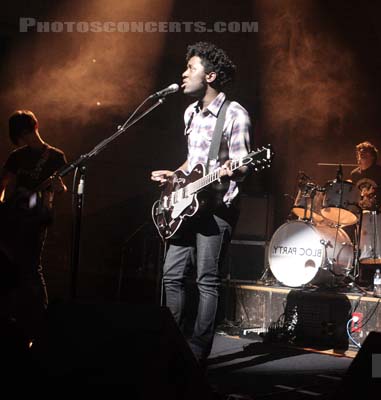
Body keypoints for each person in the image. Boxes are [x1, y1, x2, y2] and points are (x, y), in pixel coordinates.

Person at [150, 42, 251, 363]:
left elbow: (245, 164)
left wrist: (230, 170)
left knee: (206, 280)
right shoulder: (189, 113)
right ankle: (173, 341)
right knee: (171, 275)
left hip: (217, 209)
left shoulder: (235, 114)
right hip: (185, 207)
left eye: (190, 68)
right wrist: (173, 176)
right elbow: (192, 163)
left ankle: (197, 350)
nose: (183, 73)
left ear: (210, 75)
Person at [0, 109, 67, 341]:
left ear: (35, 127)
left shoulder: (56, 156)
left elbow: (59, 190)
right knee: (9, 265)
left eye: (27, 134)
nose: (25, 140)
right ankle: (11, 317)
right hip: (13, 218)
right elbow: (2, 185)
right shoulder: (16, 157)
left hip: (37, 217)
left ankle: (40, 318)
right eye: (21, 137)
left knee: (31, 266)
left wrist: (59, 188)